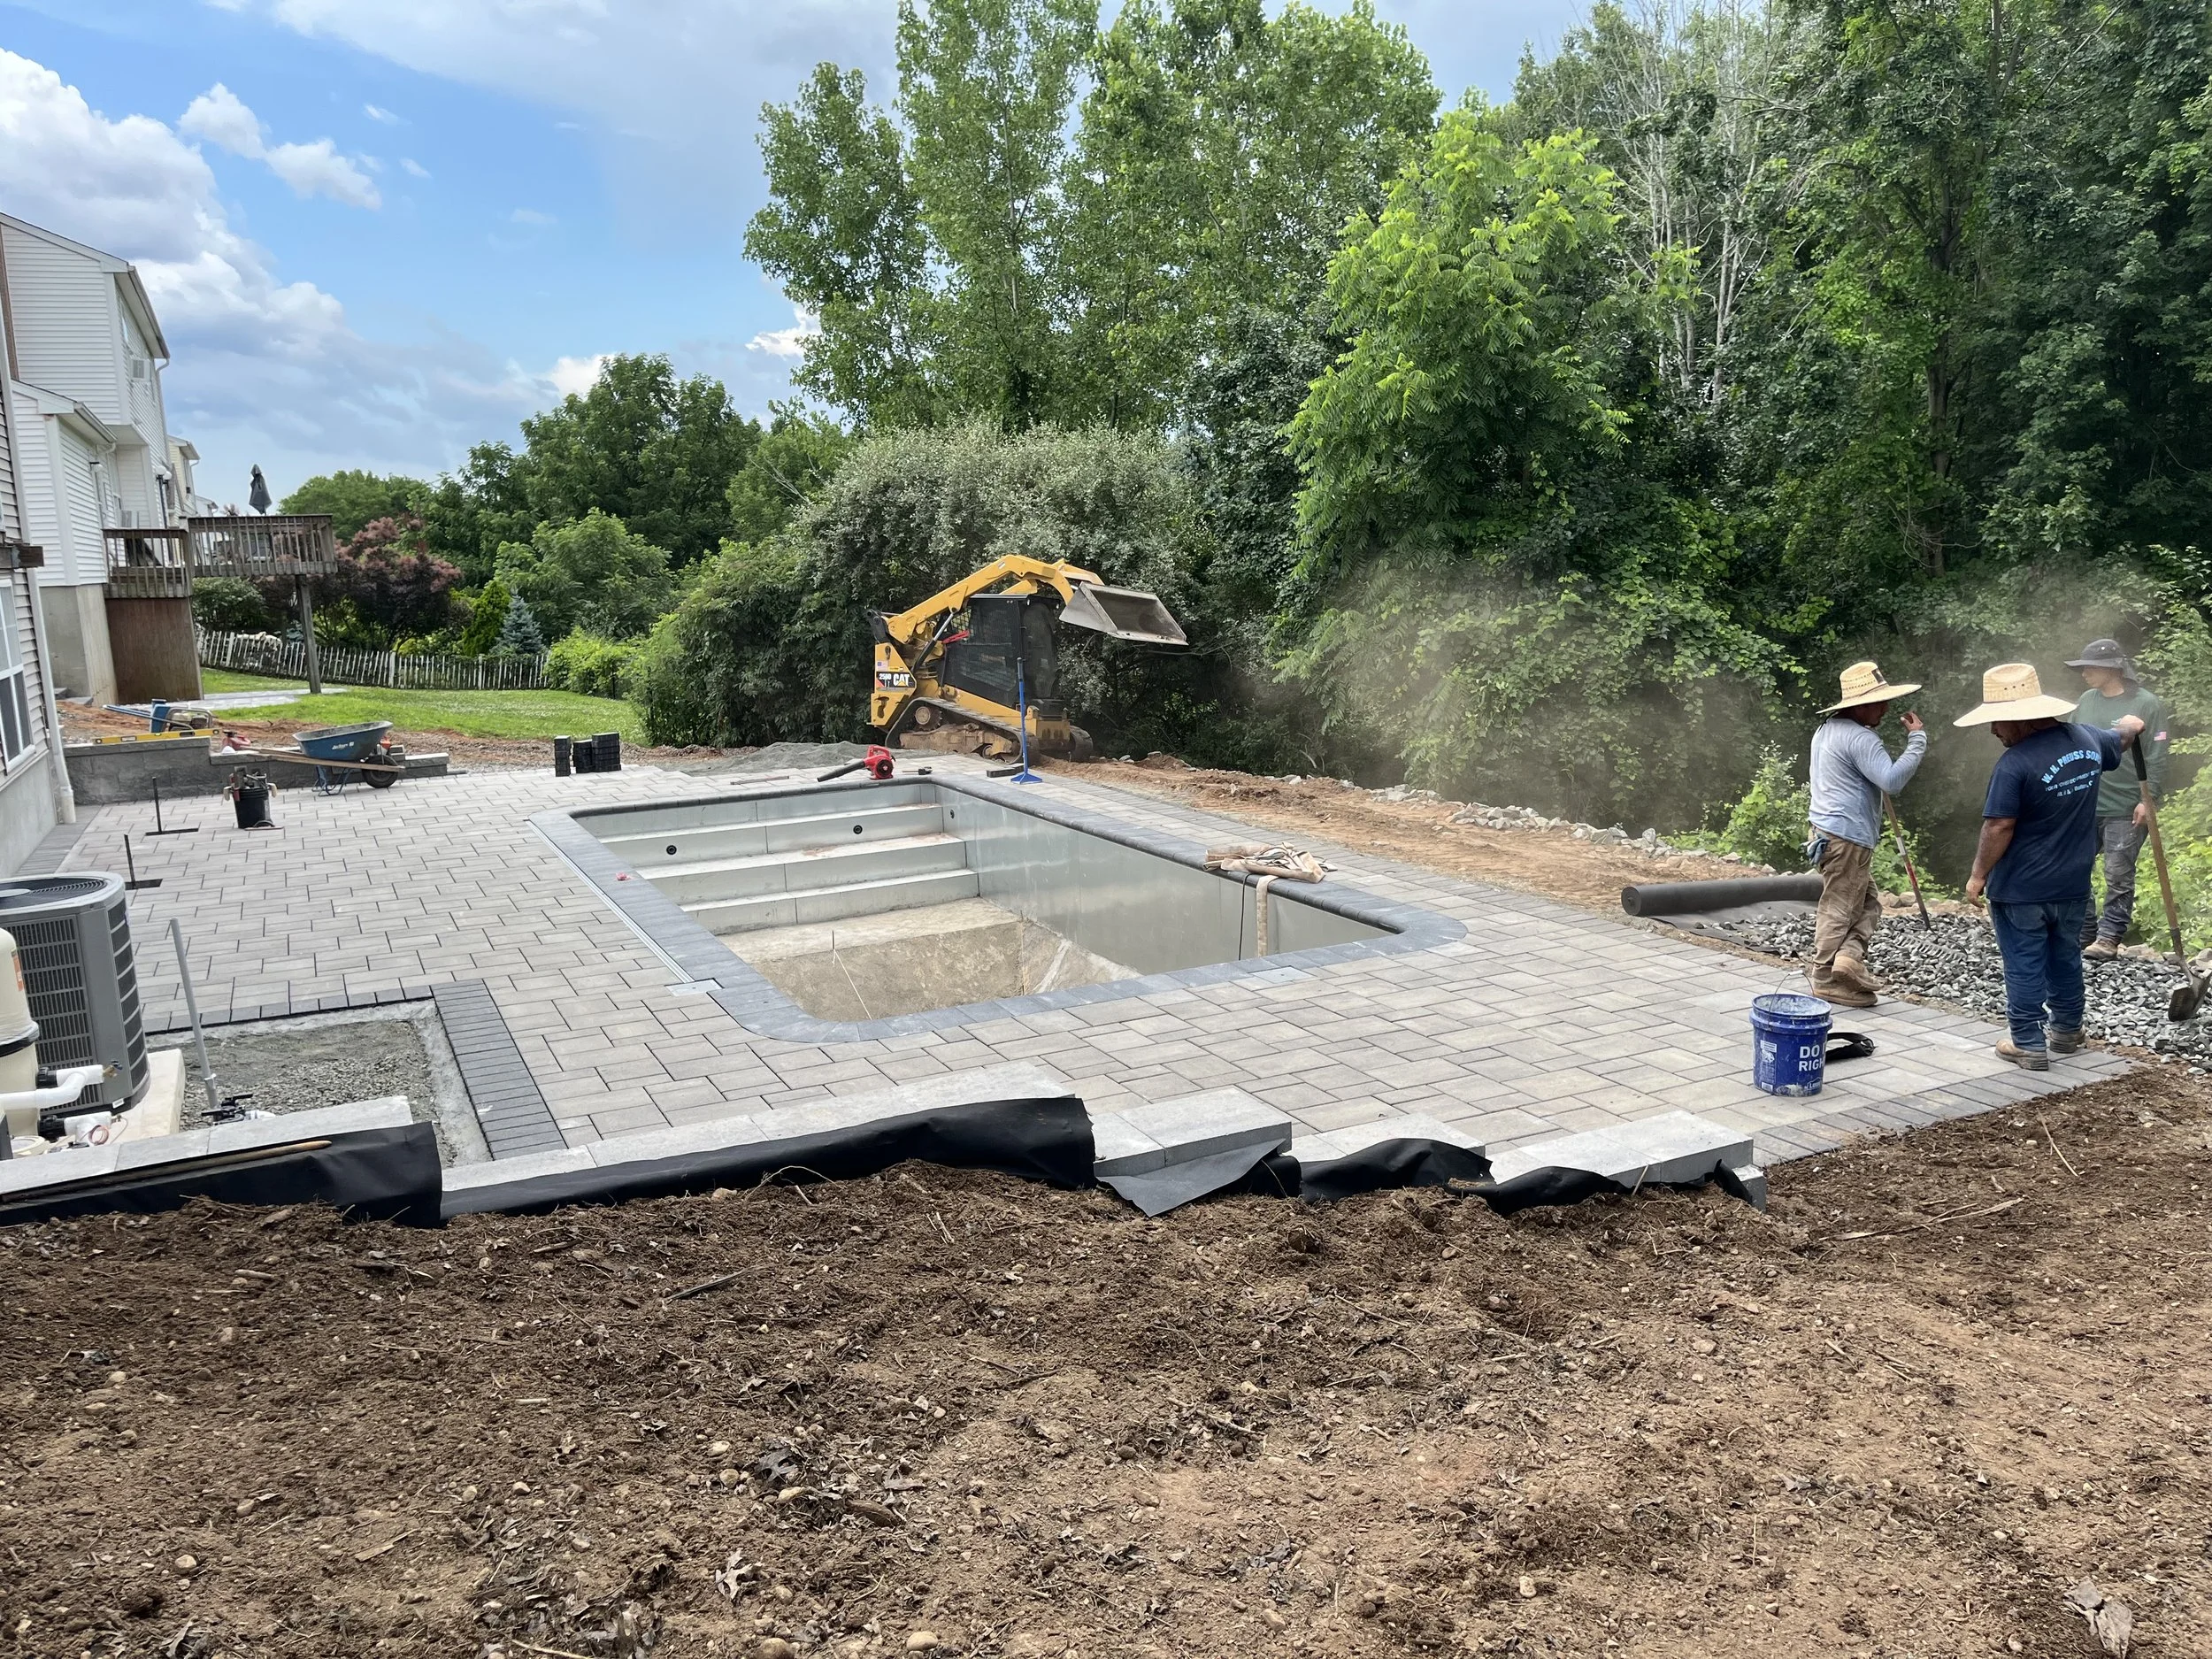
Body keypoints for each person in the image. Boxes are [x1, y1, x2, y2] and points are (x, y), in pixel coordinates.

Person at [1956, 662, 2146, 1071]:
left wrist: (1977, 875)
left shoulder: (2014, 765)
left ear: (2020, 719)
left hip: (2022, 888)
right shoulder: (2087, 740)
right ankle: (2066, 1031)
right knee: (2064, 957)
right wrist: (2132, 724)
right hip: (2073, 882)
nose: (1993, 732)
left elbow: (2000, 825)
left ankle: (2026, 1042)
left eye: (1998, 723)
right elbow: (2122, 738)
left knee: (2024, 960)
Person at [1806, 660, 1927, 1008]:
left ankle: (1848, 960)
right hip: (1847, 839)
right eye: (1878, 702)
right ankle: (1825, 977)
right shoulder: (1861, 737)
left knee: (1868, 901)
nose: (1886, 709)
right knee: (1840, 907)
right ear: (1858, 705)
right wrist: (1916, 740)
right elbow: (1891, 781)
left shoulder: (1827, 729)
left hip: (1826, 832)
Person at [2066, 639, 2170, 958]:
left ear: (2113, 669)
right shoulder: (2086, 701)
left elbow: (2158, 753)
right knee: (2073, 867)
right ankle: (2084, 932)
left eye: (2089, 668)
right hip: (2087, 801)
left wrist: (2148, 798)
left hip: (2127, 806)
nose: (2084, 673)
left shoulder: (2146, 703)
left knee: (2117, 873)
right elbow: (2072, 744)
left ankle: (2109, 937)